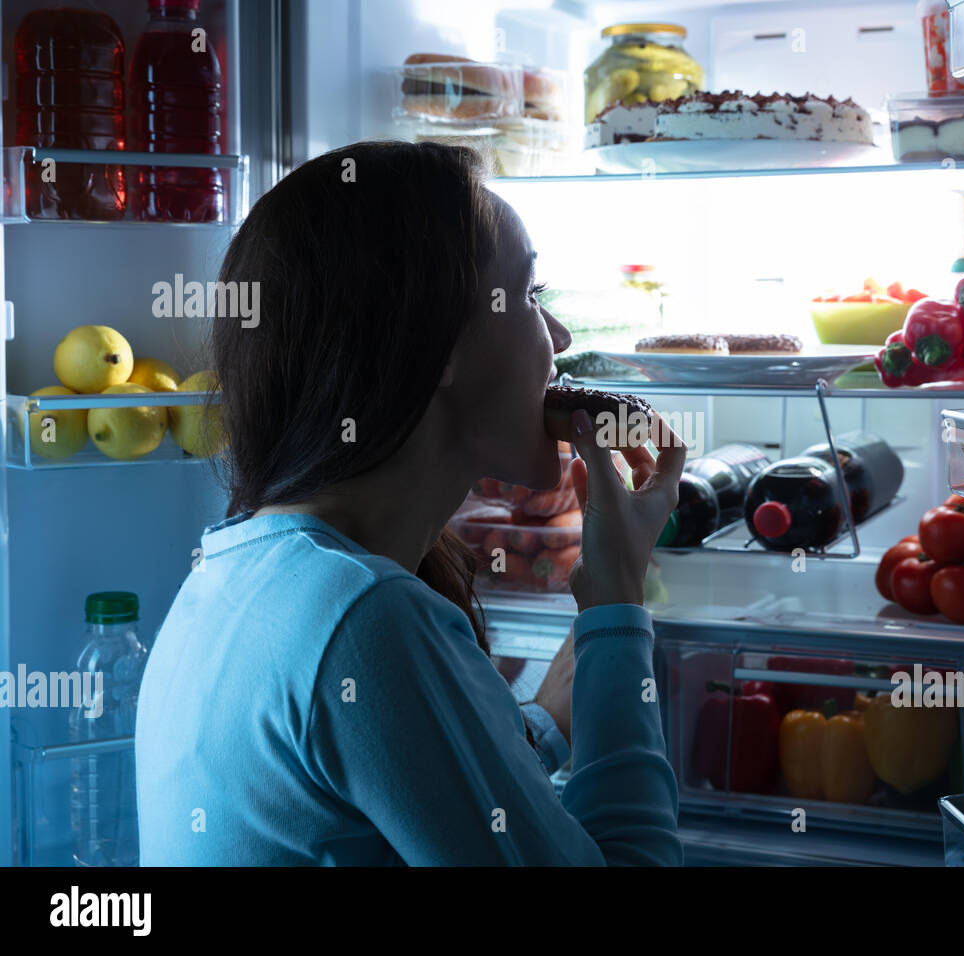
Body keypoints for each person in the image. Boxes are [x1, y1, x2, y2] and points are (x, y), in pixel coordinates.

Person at [135, 141, 686, 865]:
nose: (560, 338)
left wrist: (533, 733)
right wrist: (615, 600)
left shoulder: (239, 571)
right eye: (527, 296)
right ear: (437, 341)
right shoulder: (365, 619)